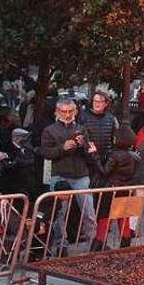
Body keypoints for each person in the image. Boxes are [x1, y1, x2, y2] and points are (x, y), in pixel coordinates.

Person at [40, 99, 98, 252]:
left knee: (89, 212)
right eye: (63, 112)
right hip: (59, 176)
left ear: (75, 112)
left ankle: (93, 243)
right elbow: (45, 152)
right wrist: (62, 148)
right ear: (57, 112)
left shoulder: (81, 128)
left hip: (81, 175)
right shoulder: (49, 130)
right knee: (59, 214)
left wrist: (83, 146)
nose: (67, 115)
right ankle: (61, 246)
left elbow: (89, 154)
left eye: (70, 111)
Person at [92, 128, 140, 252]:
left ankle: (98, 246)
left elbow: (104, 171)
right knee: (124, 220)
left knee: (104, 219)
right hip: (127, 190)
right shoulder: (135, 156)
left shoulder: (115, 155)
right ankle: (125, 249)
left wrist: (94, 155)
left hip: (112, 190)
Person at [78, 91, 119, 162]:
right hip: (87, 158)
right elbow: (80, 137)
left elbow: (115, 138)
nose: (97, 104)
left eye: (100, 101)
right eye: (95, 101)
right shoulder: (83, 117)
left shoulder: (111, 119)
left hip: (105, 158)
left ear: (106, 103)